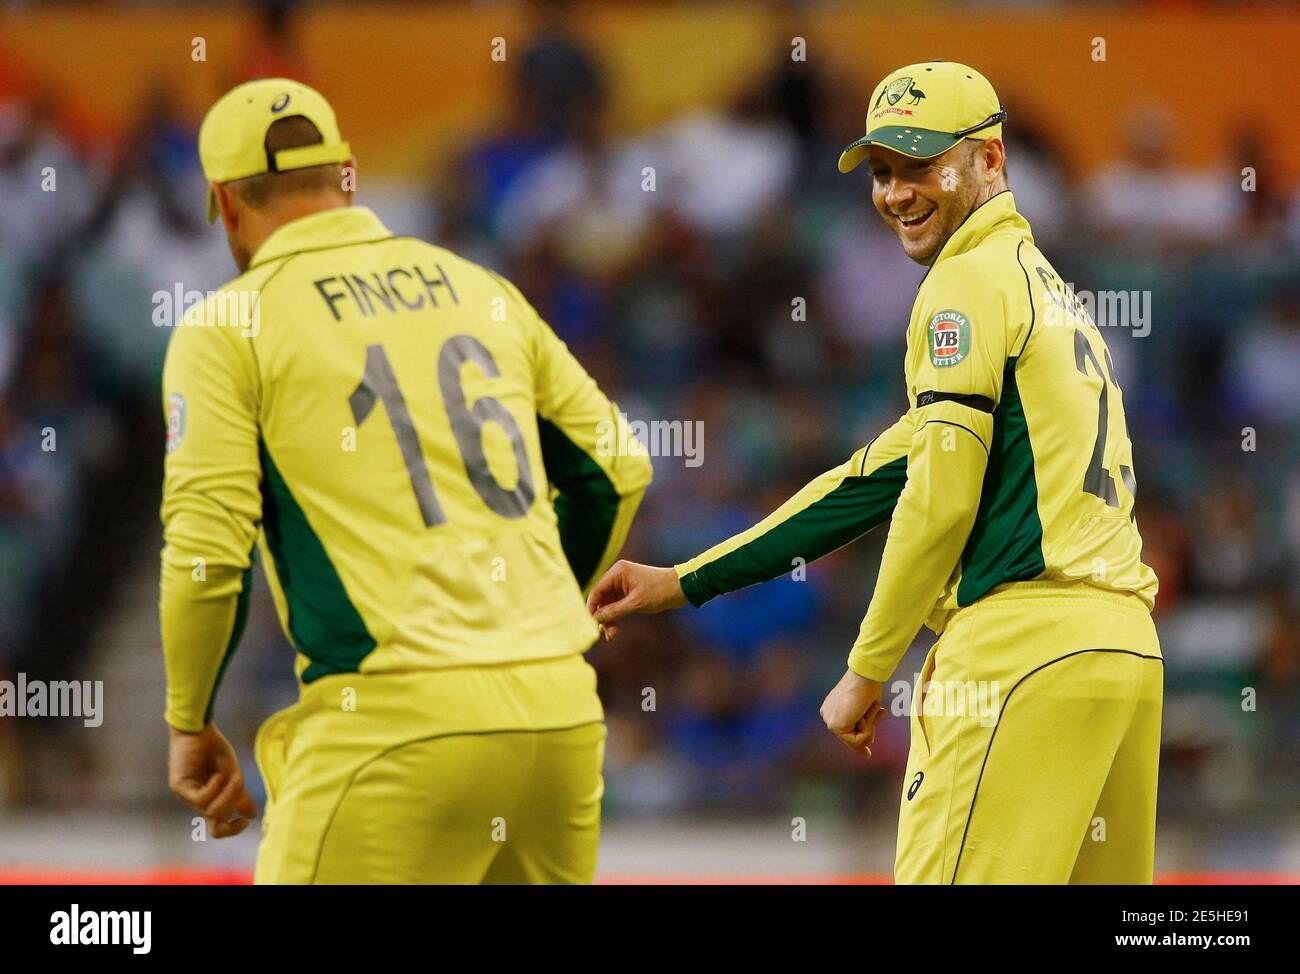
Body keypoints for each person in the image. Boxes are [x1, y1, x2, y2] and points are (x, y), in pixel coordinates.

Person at [587, 61, 1162, 884]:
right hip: (1121, 656)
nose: (897, 192)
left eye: (923, 164)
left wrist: (865, 673)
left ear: (991, 160)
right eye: (884, 172)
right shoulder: (1048, 295)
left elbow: (938, 501)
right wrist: (684, 580)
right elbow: (868, 482)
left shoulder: (963, 285)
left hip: (1016, 657)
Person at [160, 78, 652, 883]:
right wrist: (522, 629)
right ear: (349, 176)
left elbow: (207, 556)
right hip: (557, 719)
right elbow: (617, 471)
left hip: (390, 728)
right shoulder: (478, 287)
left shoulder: (227, 326)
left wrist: (189, 721)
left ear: (223, 200)